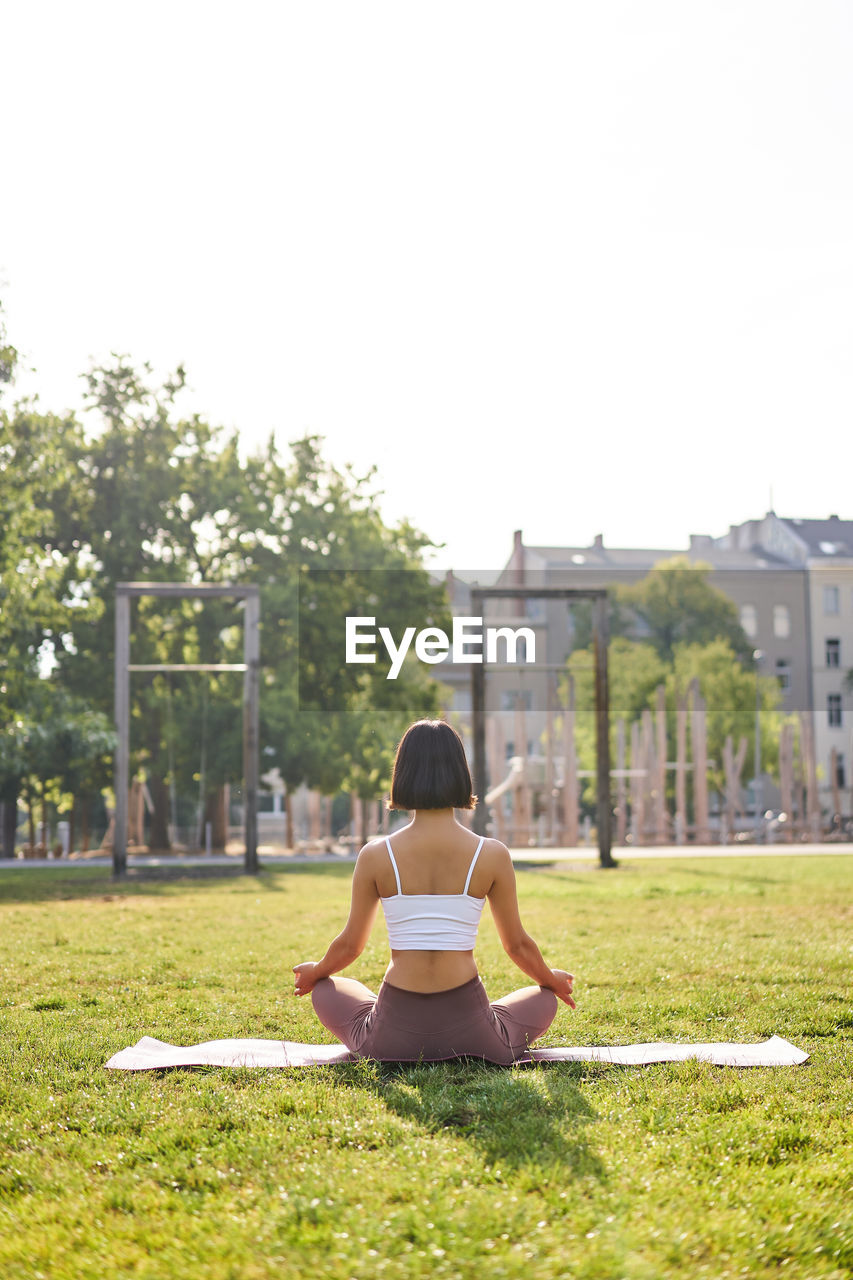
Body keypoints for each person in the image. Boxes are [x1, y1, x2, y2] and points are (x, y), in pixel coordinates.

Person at [293, 718, 575, 1063]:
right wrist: (552, 980)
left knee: (326, 989)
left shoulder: (376, 855)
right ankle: (490, 1028)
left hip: (390, 1038)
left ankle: (373, 1029)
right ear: (460, 773)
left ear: (403, 775)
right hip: (474, 1035)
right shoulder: (492, 854)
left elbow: (350, 945)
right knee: (544, 998)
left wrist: (316, 972)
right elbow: (517, 945)